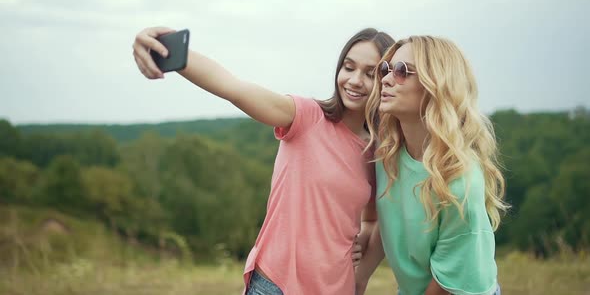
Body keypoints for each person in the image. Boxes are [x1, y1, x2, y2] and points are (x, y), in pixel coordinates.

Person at [132, 27, 394, 294]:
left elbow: (372, 221)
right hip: (276, 284)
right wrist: (169, 51)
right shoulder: (306, 117)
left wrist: (359, 261)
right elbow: (231, 86)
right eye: (348, 67)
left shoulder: (377, 153)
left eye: (370, 73)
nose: (355, 80)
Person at [355, 36, 508, 295]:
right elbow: (392, 219)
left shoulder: (459, 181)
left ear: (434, 85)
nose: (386, 79)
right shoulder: (388, 154)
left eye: (403, 71)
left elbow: (446, 287)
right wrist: (358, 280)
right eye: (385, 69)